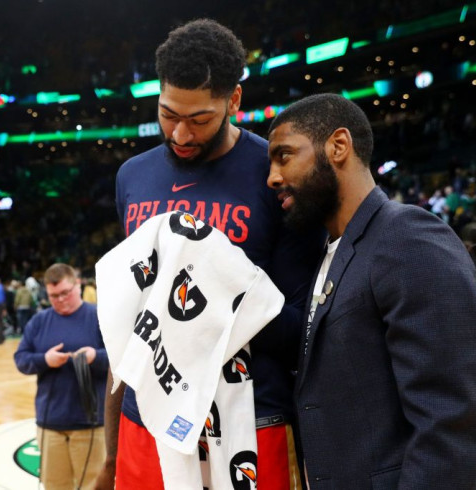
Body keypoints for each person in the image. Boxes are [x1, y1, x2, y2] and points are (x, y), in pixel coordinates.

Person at [97, 18, 323, 490]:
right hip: (148, 418)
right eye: (167, 114)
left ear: (233, 101)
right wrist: (110, 453)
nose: (180, 134)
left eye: (199, 119)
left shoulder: (275, 173)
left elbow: (302, 324)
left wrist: (219, 289)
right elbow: (131, 322)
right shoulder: (131, 177)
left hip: (251, 420)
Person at [266, 93, 476, 488]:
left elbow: (447, 426)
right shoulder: (330, 253)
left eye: (284, 155)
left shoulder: (409, 237)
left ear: (338, 146)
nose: (272, 176)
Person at [14, 264, 108, 490]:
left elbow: (122, 359)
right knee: (55, 486)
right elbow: (21, 359)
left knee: (92, 485)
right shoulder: (39, 321)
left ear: (78, 285)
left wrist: (96, 356)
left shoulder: (99, 316)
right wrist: (45, 360)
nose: (60, 300)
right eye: (54, 296)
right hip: (50, 423)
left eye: (65, 293)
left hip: (91, 423)